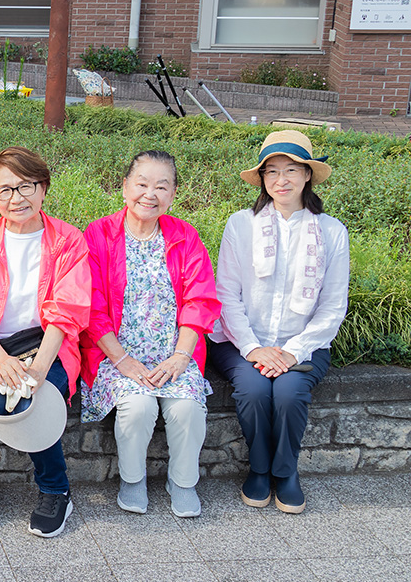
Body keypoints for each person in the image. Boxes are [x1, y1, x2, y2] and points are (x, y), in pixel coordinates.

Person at [0, 146, 91, 537]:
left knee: (37, 396)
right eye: (5, 190)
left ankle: (55, 490)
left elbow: (68, 308)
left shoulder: (68, 240)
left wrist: (40, 368)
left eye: (25, 186)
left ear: (43, 187)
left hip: (49, 346)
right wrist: (0, 360)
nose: (16, 198)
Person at [209, 131, 348, 514]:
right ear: (263, 178)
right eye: (271, 171)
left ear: (307, 175)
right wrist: (254, 348)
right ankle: (258, 468)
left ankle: (285, 472)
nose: (280, 180)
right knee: (253, 391)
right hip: (239, 342)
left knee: (288, 394)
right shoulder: (241, 224)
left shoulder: (332, 232)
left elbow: (333, 306)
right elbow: (226, 296)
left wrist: (290, 352)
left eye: (290, 170)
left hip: (302, 344)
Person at [79, 151, 221, 518]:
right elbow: (91, 307)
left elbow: (200, 299)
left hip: (174, 355)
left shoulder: (184, 236)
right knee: (138, 406)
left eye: (161, 186)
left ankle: (184, 481)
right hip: (116, 356)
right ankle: (132, 480)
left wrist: (181, 356)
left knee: (188, 408)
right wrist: (123, 361)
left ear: (173, 194)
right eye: (142, 183)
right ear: (125, 187)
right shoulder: (99, 234)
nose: (150, 193)